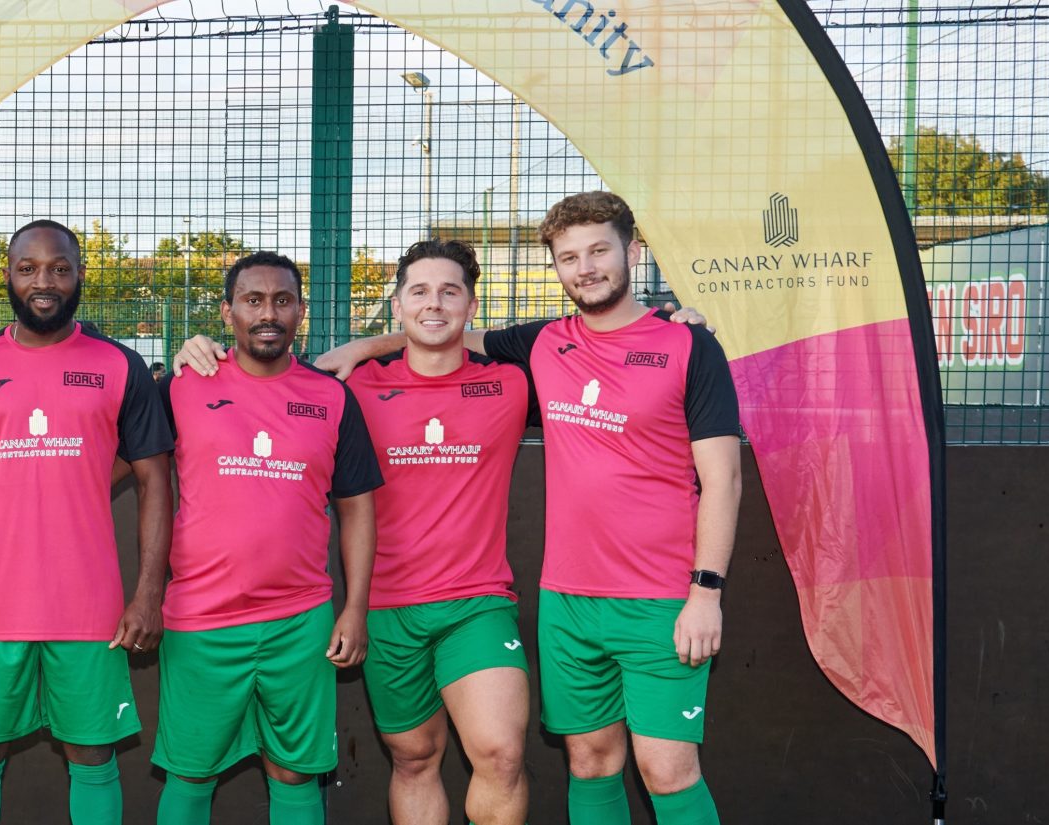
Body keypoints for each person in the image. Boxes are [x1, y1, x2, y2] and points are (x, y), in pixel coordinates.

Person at [315, 192, 741, 824]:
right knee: (591, 761)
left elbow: (725, 479)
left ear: (633, 251)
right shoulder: (543, 345)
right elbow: (441, 332)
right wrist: (362, 347)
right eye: (569, 257)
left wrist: (706, 592)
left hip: (663, 597)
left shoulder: (686, 346)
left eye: (599, 251)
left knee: (667, 770)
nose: (585, 267)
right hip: (566, 602)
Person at [0, 220, 174, 825]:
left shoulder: (119, 365)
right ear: (7, 275)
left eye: (59, 267)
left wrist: (147, 594)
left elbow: (154, 480)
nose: (45, 281)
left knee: (92, 753)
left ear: (80, 274)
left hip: (88, 605)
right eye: (29, 267)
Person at [153, 251, 382, 825]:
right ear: (228, 310)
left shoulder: (331, 396)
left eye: (282, 300)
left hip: (299, 621)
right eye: (253, 300)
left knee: (295, 771)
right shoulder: (182, 385)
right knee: (190, 770)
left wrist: (354, 609)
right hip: (201, 619)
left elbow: (357, 509)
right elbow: (112, 464)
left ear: (301, 311)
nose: (268, 313)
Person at [346, 240, 534, 825]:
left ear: (471, 306)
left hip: (475, 602)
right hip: (385, 607)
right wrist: (200, 350)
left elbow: (591, 334)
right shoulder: (352, 388)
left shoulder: (510, 384)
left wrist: (677, 321)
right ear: (398, 305)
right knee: (414, 757)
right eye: (419, 292)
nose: (435, 304)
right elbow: (258, 369)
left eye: (450, 291)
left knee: (500, 753)